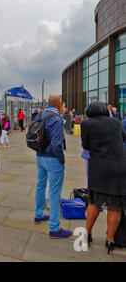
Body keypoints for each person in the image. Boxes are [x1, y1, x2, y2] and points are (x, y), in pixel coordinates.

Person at [82, 102, 126, 254]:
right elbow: (123, 136)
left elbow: (85, 145)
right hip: (118, 167)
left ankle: (87, 233)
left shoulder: (86, 124)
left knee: (94, 201)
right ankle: (110, 239)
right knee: (115, 205)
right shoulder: (115, 122)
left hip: (98, 168)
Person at [34, 95, 72, 239]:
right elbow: (57, 144)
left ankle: (38, 214)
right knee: (55, 193)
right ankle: (55, 228)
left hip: (40, 156)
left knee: (40, 185)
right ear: (59, 104)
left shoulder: (40, 115)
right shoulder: (56, 119)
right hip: (52, 158)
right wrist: (61, 160)